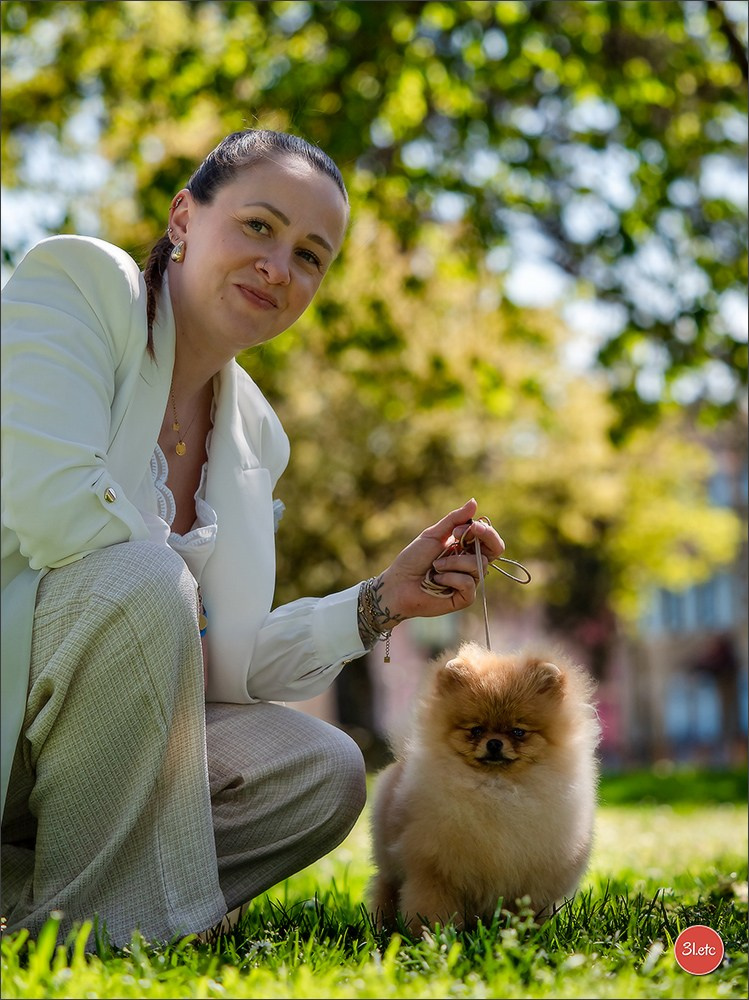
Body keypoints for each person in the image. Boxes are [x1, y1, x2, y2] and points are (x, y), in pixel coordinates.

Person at [0, 129, 505, 946]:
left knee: (321, 770)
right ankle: (131, 926)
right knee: (138, 578)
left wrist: (379, 601)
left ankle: (58, 916)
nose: (280, 267)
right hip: (10, 697)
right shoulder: (80, 285)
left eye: (311, 255)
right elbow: (56, 511)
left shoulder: (258, 434)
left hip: (105, 749)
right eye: (260, 227)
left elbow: (226, 666)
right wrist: (171, 598)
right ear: (182, 219)